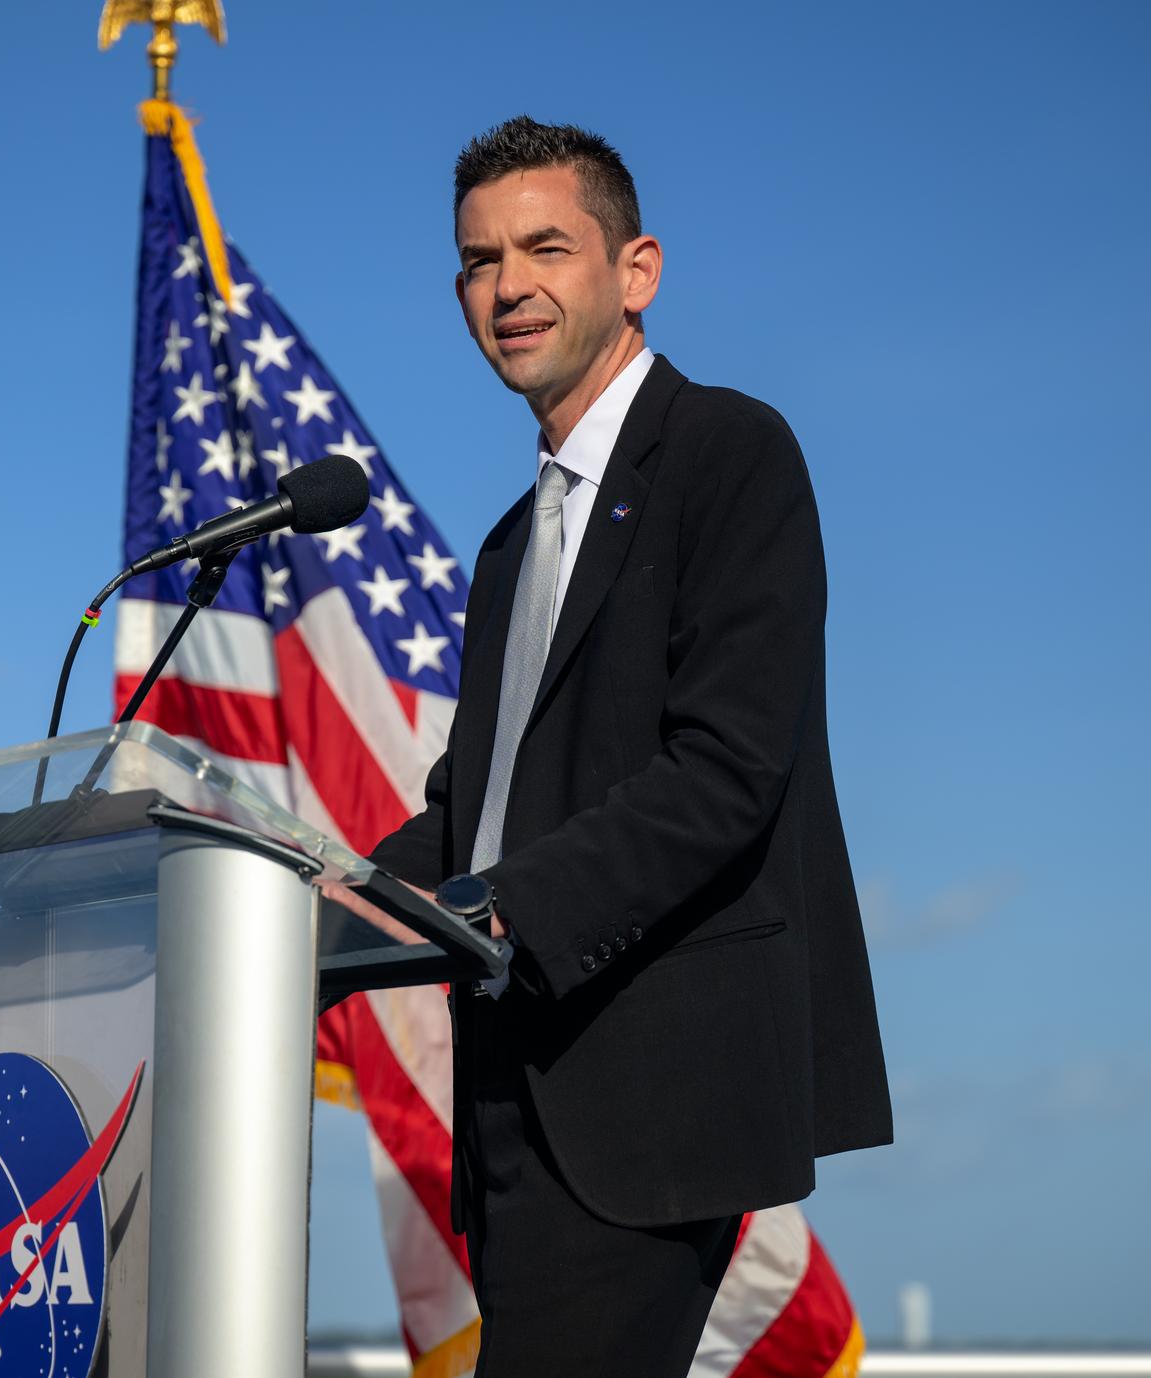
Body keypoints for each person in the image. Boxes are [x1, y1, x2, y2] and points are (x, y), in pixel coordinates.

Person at [367, 117, 893, 1377]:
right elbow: (476, 808)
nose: (510, 287)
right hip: (506, 1090)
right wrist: (315, 896)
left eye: (546, 247)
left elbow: (727, 769)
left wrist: (493, 908)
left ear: (635, 269)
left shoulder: (729, 453)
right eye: (481, 261)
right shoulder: (505, 547)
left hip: (648, 1095)